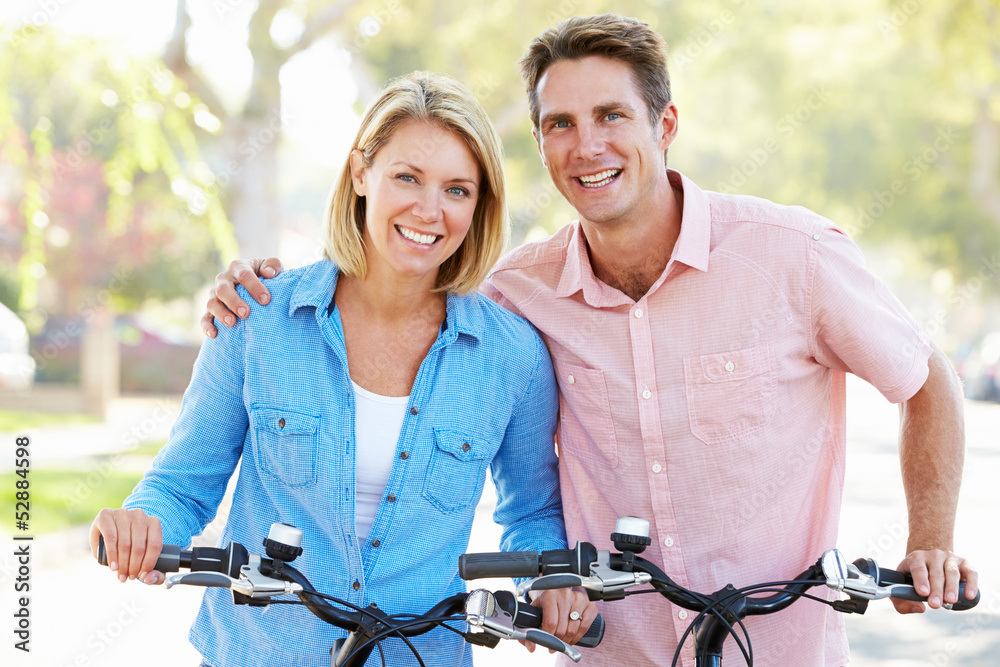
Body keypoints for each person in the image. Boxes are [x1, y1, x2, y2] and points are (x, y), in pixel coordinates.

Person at [201, 14, 979, 667]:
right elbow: (395, 289)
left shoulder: (792, 255)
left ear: (664, 124)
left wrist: (930, 542)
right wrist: (260, 288)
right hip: (614, 649)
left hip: (775, 645)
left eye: (611, 116)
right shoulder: (516, 294)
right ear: (540, 145)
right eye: (559, 124)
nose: (587, 146)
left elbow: (925, 378)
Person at [90, 71, 596, 667]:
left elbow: (531, 510)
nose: (429, 210)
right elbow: (182, 483)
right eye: (407, 177)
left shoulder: (510, 356)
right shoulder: (256, 319)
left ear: (480, 203)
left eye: (457, 189)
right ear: (361, 173)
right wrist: (143, 526)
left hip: (420, 655)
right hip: (260, 653)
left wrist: (549, 579)